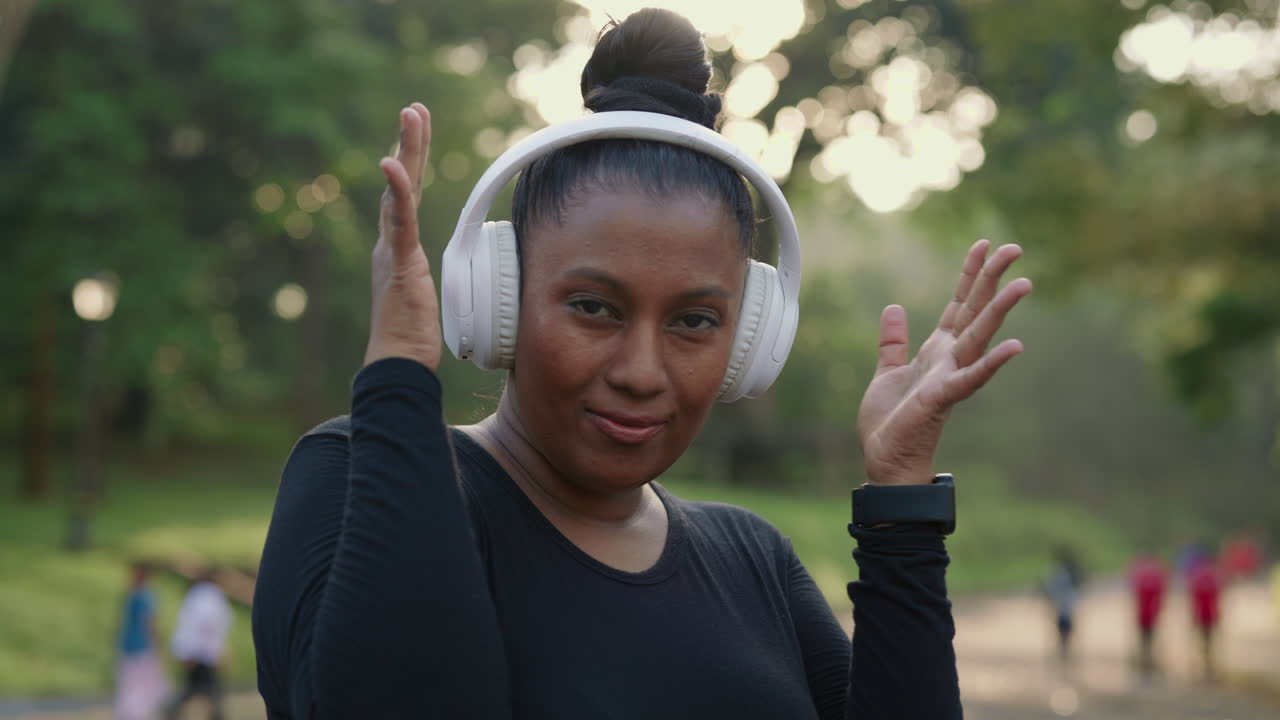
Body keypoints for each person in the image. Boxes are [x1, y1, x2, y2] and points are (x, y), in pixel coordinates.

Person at [252, 9, 1032, 719]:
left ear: (748, 343)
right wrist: (399, 380)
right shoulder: (357, 476)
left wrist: (901, 508)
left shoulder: (753, 559)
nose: (641, 371)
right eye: (595, 307)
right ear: (497, 299)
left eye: (695, 321)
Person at [166, 568, 232, 720]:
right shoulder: (210, 597)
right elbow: (208, 627)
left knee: (195, 688)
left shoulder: (196, 595)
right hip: (202, 653)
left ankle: (172, 711)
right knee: (209, 689)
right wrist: (217, 653)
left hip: (192, 651)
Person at [114, 561, 169, 720]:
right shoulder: (143, 596)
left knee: (131, 688)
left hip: (134, 648)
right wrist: (159, 647)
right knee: (140, 689)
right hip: (140, 648)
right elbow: (151, 624)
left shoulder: (135, 595)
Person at [1041, 546, 1083, 660]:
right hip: (1067, 607)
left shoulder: (1058, 573)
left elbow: (1050, 589)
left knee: (1063, 633)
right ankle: (1065, 653)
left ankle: (1064, 653)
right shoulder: (1070, 573)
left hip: (1062, 608)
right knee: (1066, 632)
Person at [1128, 553, 1167, 675]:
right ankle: (1148, 663)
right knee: (1150, 639)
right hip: (1151, 614)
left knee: (1144, 639)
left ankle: (1145, 663)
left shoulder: (1140, 575)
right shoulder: (1156, 575)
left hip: (1144, 614)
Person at [1187, 556, 1222, 681]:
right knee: (1209, 643)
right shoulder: (1214, 576)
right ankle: (1208, 668)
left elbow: (1194, 598)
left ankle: (1203, 668)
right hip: (1210, 615)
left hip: (1201, 615)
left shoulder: (1196, 577)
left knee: (1202, 643)